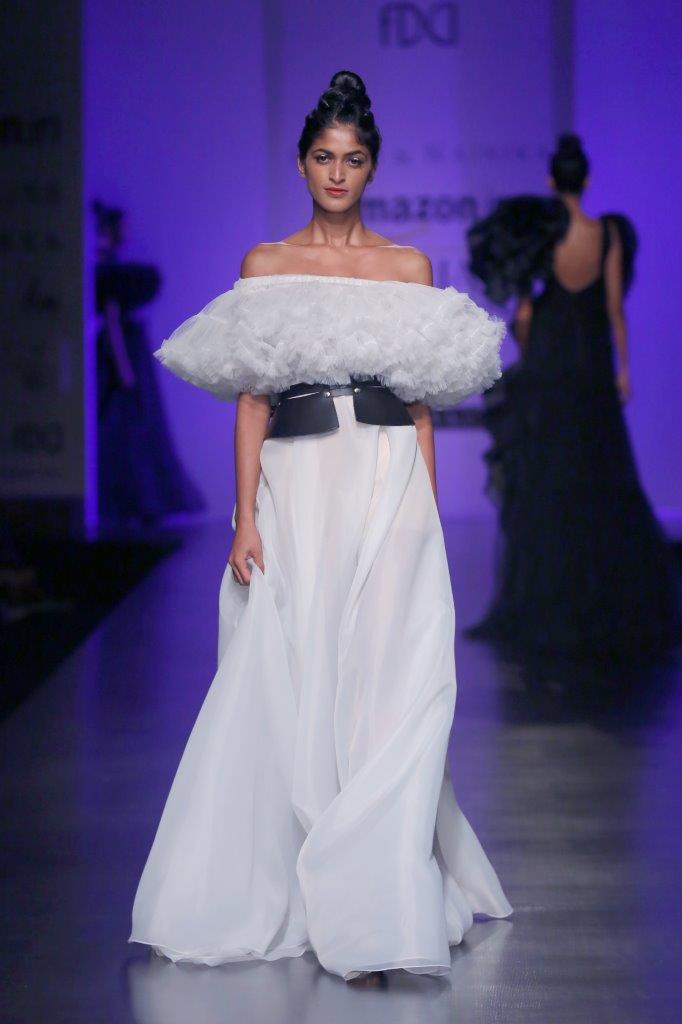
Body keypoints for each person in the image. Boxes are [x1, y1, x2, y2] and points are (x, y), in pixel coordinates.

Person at [129, 70, 512, 983]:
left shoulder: (408, 270)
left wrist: (424, 513)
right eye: (324, 157)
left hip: (384, 478)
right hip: (297, 490)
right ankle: (308, 886)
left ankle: (376, 897)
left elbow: (419, 408)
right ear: (302, 164)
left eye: (354, 159)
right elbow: (252, 402)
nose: (338, 172)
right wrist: (242, 521)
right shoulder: (266, 265)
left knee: (392, 680)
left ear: (372, 168)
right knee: (296, 673)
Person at [466, 134, 680, 663]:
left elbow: (524, 312)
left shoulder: (543, 234)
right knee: (602, 472)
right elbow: (614, 308)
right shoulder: (608, 234)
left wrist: (528, 355)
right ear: (586, 179)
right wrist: (623, 370)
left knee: (550, 477)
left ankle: (548, 600)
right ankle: (608, 599)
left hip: (551, 360)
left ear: (549, 180)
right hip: (592, 363)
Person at [94, 202, 204, 527]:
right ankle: (133, 503)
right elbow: (111, 322)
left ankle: (139, 503)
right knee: (128, 428)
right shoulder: (109, 273)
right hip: (123, 357)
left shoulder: (115, 269)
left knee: (136, 427)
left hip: (130, 353)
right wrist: (124, 370)